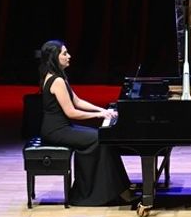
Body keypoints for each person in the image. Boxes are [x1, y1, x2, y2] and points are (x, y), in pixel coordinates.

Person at [37, 40, 132, 206]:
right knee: (99, 139)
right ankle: (97, 192)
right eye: (64, 53)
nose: (69, 56)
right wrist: (98, 115)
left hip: (61, 128)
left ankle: (114, 190)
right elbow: (71, 112)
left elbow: (77, 101)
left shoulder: (58, 77)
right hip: (56, 131)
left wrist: (103, 110)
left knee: (101, 138)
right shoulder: (57, 81)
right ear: (54, 57)